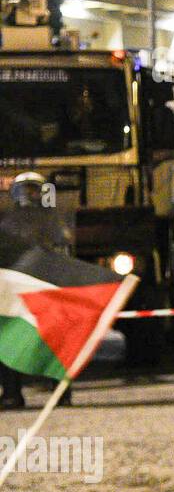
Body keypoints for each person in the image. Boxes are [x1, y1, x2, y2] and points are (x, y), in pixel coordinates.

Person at [1, 172, 73, 409]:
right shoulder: (8, 221)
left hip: (44, 285)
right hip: (15, 288)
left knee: (55, 341)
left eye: (34, 189)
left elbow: (62, 246)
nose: (29, 194)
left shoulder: (52, 219)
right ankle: (12, 393)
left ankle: (61, 393)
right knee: (10, 340)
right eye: (25, 189)